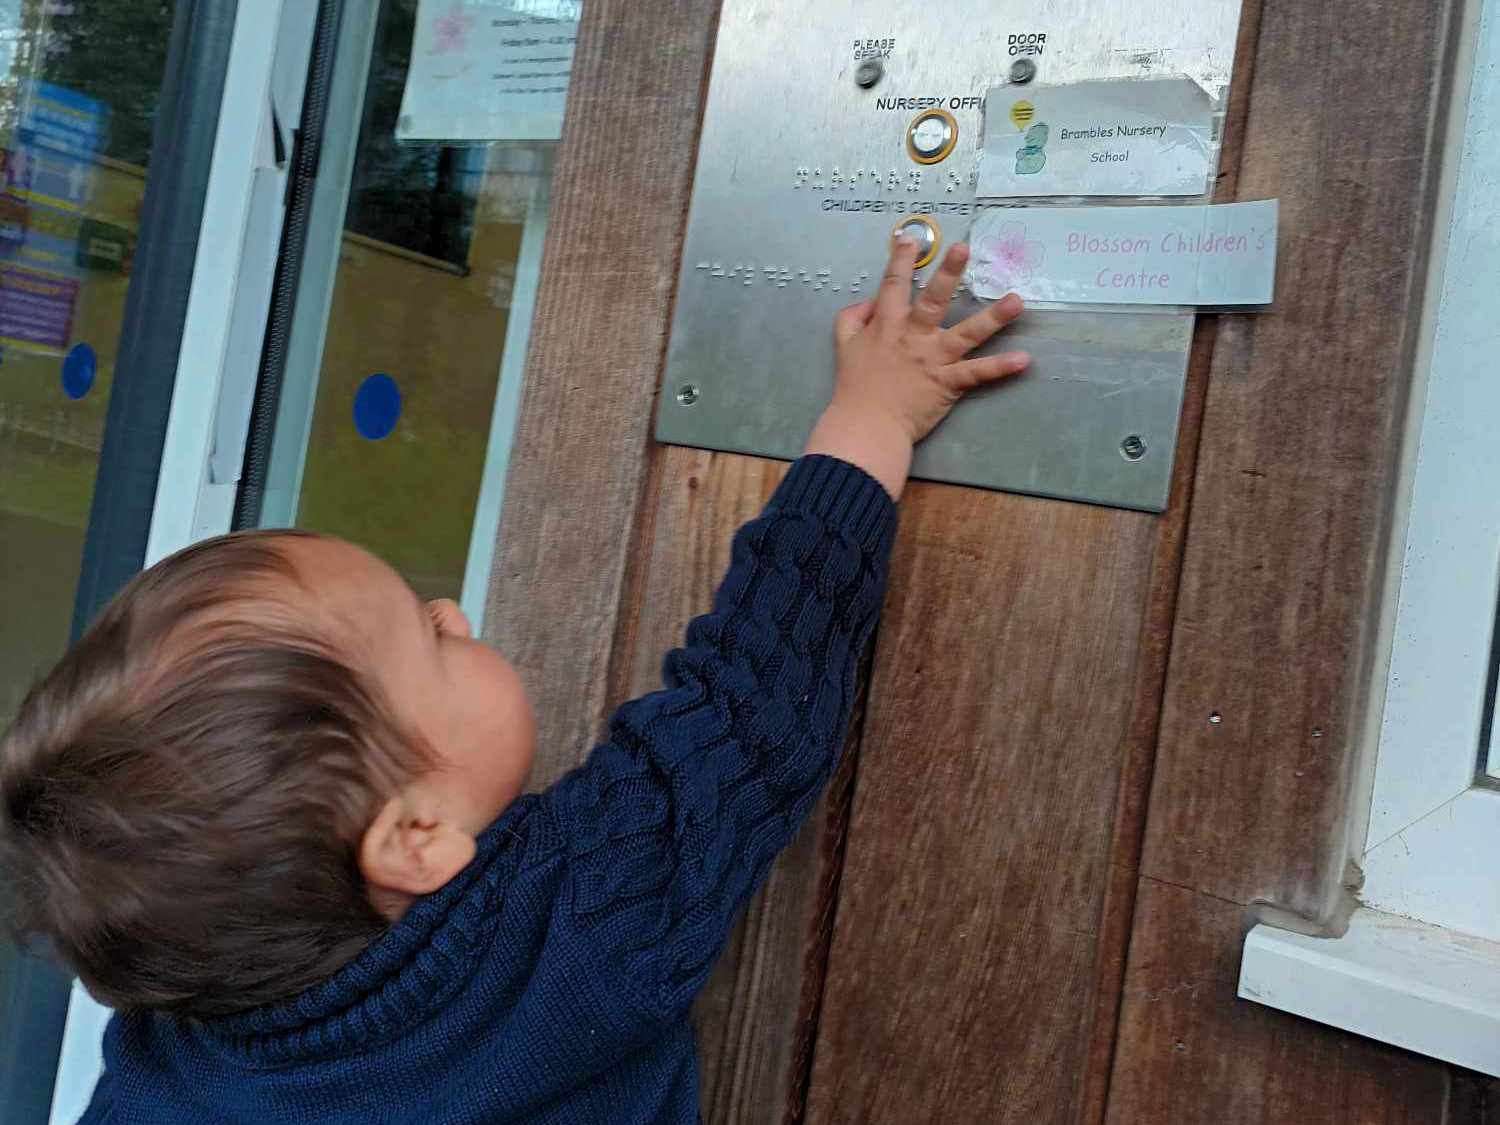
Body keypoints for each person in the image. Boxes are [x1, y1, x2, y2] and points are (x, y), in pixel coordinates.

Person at [0, 238, 1027, 1123]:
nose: (453, 614)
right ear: (413, 838)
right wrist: (874, 417)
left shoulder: (167, 1054)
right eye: (428, 639)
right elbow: (754, 693)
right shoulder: (580, 918)